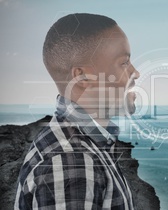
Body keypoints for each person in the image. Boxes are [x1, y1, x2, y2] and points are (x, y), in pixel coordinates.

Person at [14, 13, 140, 209]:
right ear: (82, 77)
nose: (135, 72)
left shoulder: (81, 145)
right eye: (124, 63)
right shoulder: (72, 162)